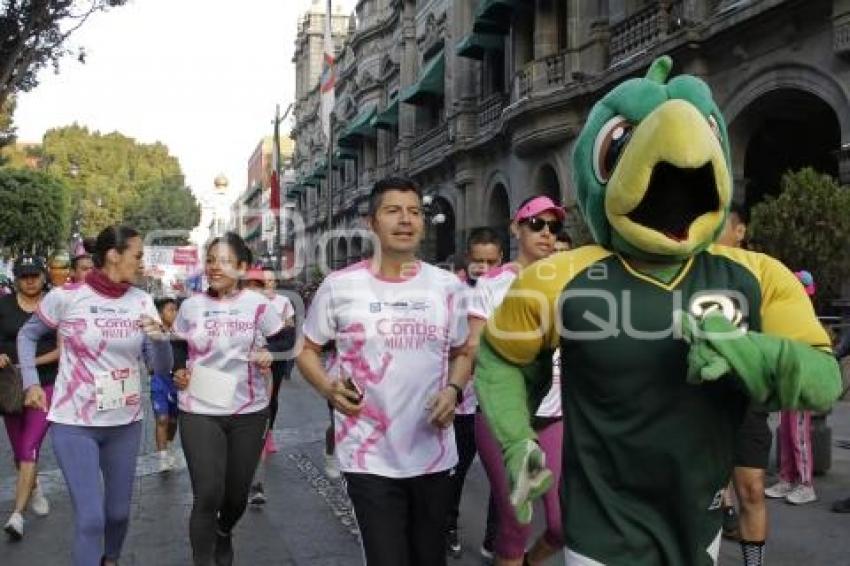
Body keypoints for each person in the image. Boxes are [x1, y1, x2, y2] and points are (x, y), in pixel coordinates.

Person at [296, 176, 470, 566]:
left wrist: (454, 390)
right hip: (368, 456)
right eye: (393, 211)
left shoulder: (448, 288)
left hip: (433, 452)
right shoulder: (340, 287)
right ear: (372, 223)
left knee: (429, 559)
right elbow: (306, 351)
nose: (405, 220)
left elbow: (464, 352)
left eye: (414, 212)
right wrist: (327, 387)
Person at [17, 225, 173, 566]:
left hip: (125, 424)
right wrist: (30, 381)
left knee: (117, 515)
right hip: (74, 423)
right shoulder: (67, 297)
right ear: (114, 256)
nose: (142, 263)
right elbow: (27, 336)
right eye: (138, 255)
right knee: (90, 519)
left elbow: (161, 368)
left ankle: (111, 560)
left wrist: (160, 339)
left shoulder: (142, 300)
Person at [456, 196, 566, 566]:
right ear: (516, 228)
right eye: (537, 224)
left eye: (554, 227)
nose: (547, 233)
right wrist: (454, 388)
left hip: (555, 414)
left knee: (562, 524)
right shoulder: (492, 284)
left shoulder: (571, 279)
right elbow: (473, 345)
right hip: (503, 416)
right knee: (516, 523)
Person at [171, 232, 289, 566]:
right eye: (210, 260)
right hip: (199, 408)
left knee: (236, 496)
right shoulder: (191, 306)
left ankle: (224, 531)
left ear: (242, 267)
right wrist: (178, 370)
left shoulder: (258, 305)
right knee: (207, 492)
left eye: (224, 261)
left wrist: (271, 352)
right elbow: (178, 343)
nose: (214, 267)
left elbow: (286, 339)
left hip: (247, 410)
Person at [714, 202, 772, 558]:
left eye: (723, 225)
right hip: (702, 399)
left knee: (751, 488)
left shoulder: (764, 273)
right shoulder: (694, 273)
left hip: (749, 399)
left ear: (740, 231)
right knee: (706, 493)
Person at [446, 227, 502, 559]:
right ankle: (448, 524)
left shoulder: (509, 291)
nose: (483, 268)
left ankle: (494, 538)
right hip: (463, 401)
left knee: (502, 478)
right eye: (478, 261)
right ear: (468, 259)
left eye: (490, 261)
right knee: (458, 468)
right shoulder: (454, 295)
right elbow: (446, 345)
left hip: (496, 399)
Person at [1, 256, 57, 540]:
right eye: (24, 276)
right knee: (18, 449)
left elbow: (62, 349)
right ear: (17, 279)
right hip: (9, 387)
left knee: (29, 446)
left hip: (46, 384)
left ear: (43, 276)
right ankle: (34, 487)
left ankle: (17, 515)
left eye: (35, 275)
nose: (30, 280)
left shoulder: (55, 304)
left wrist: (29, 364)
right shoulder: (4, 306)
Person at [763, 270, 819, 505]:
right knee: (786, 432)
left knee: (798, 435)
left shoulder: (807, 317)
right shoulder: (788, 314)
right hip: (787, 380)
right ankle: (787, 478)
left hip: (801, 382)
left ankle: (806, 484)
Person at [243, 266, 296, 505]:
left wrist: (270, 352)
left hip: (262, 373)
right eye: (249, 285)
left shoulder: (272, 307)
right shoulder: (224, 308)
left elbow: (287, 336)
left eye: (259, 285)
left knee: (259, 424)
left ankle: (255, 484)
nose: (254, 290)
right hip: (230, 384)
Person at [151, 297, 182, 473]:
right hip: (159, 381)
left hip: (177, 383)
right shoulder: (153, 333)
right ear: (161, 313)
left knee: (173, 420)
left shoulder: (182, 332)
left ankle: (168, 446)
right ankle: (162, 458)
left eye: (176, 310)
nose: (175, 313)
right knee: (161, 419)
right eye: (171, 309)